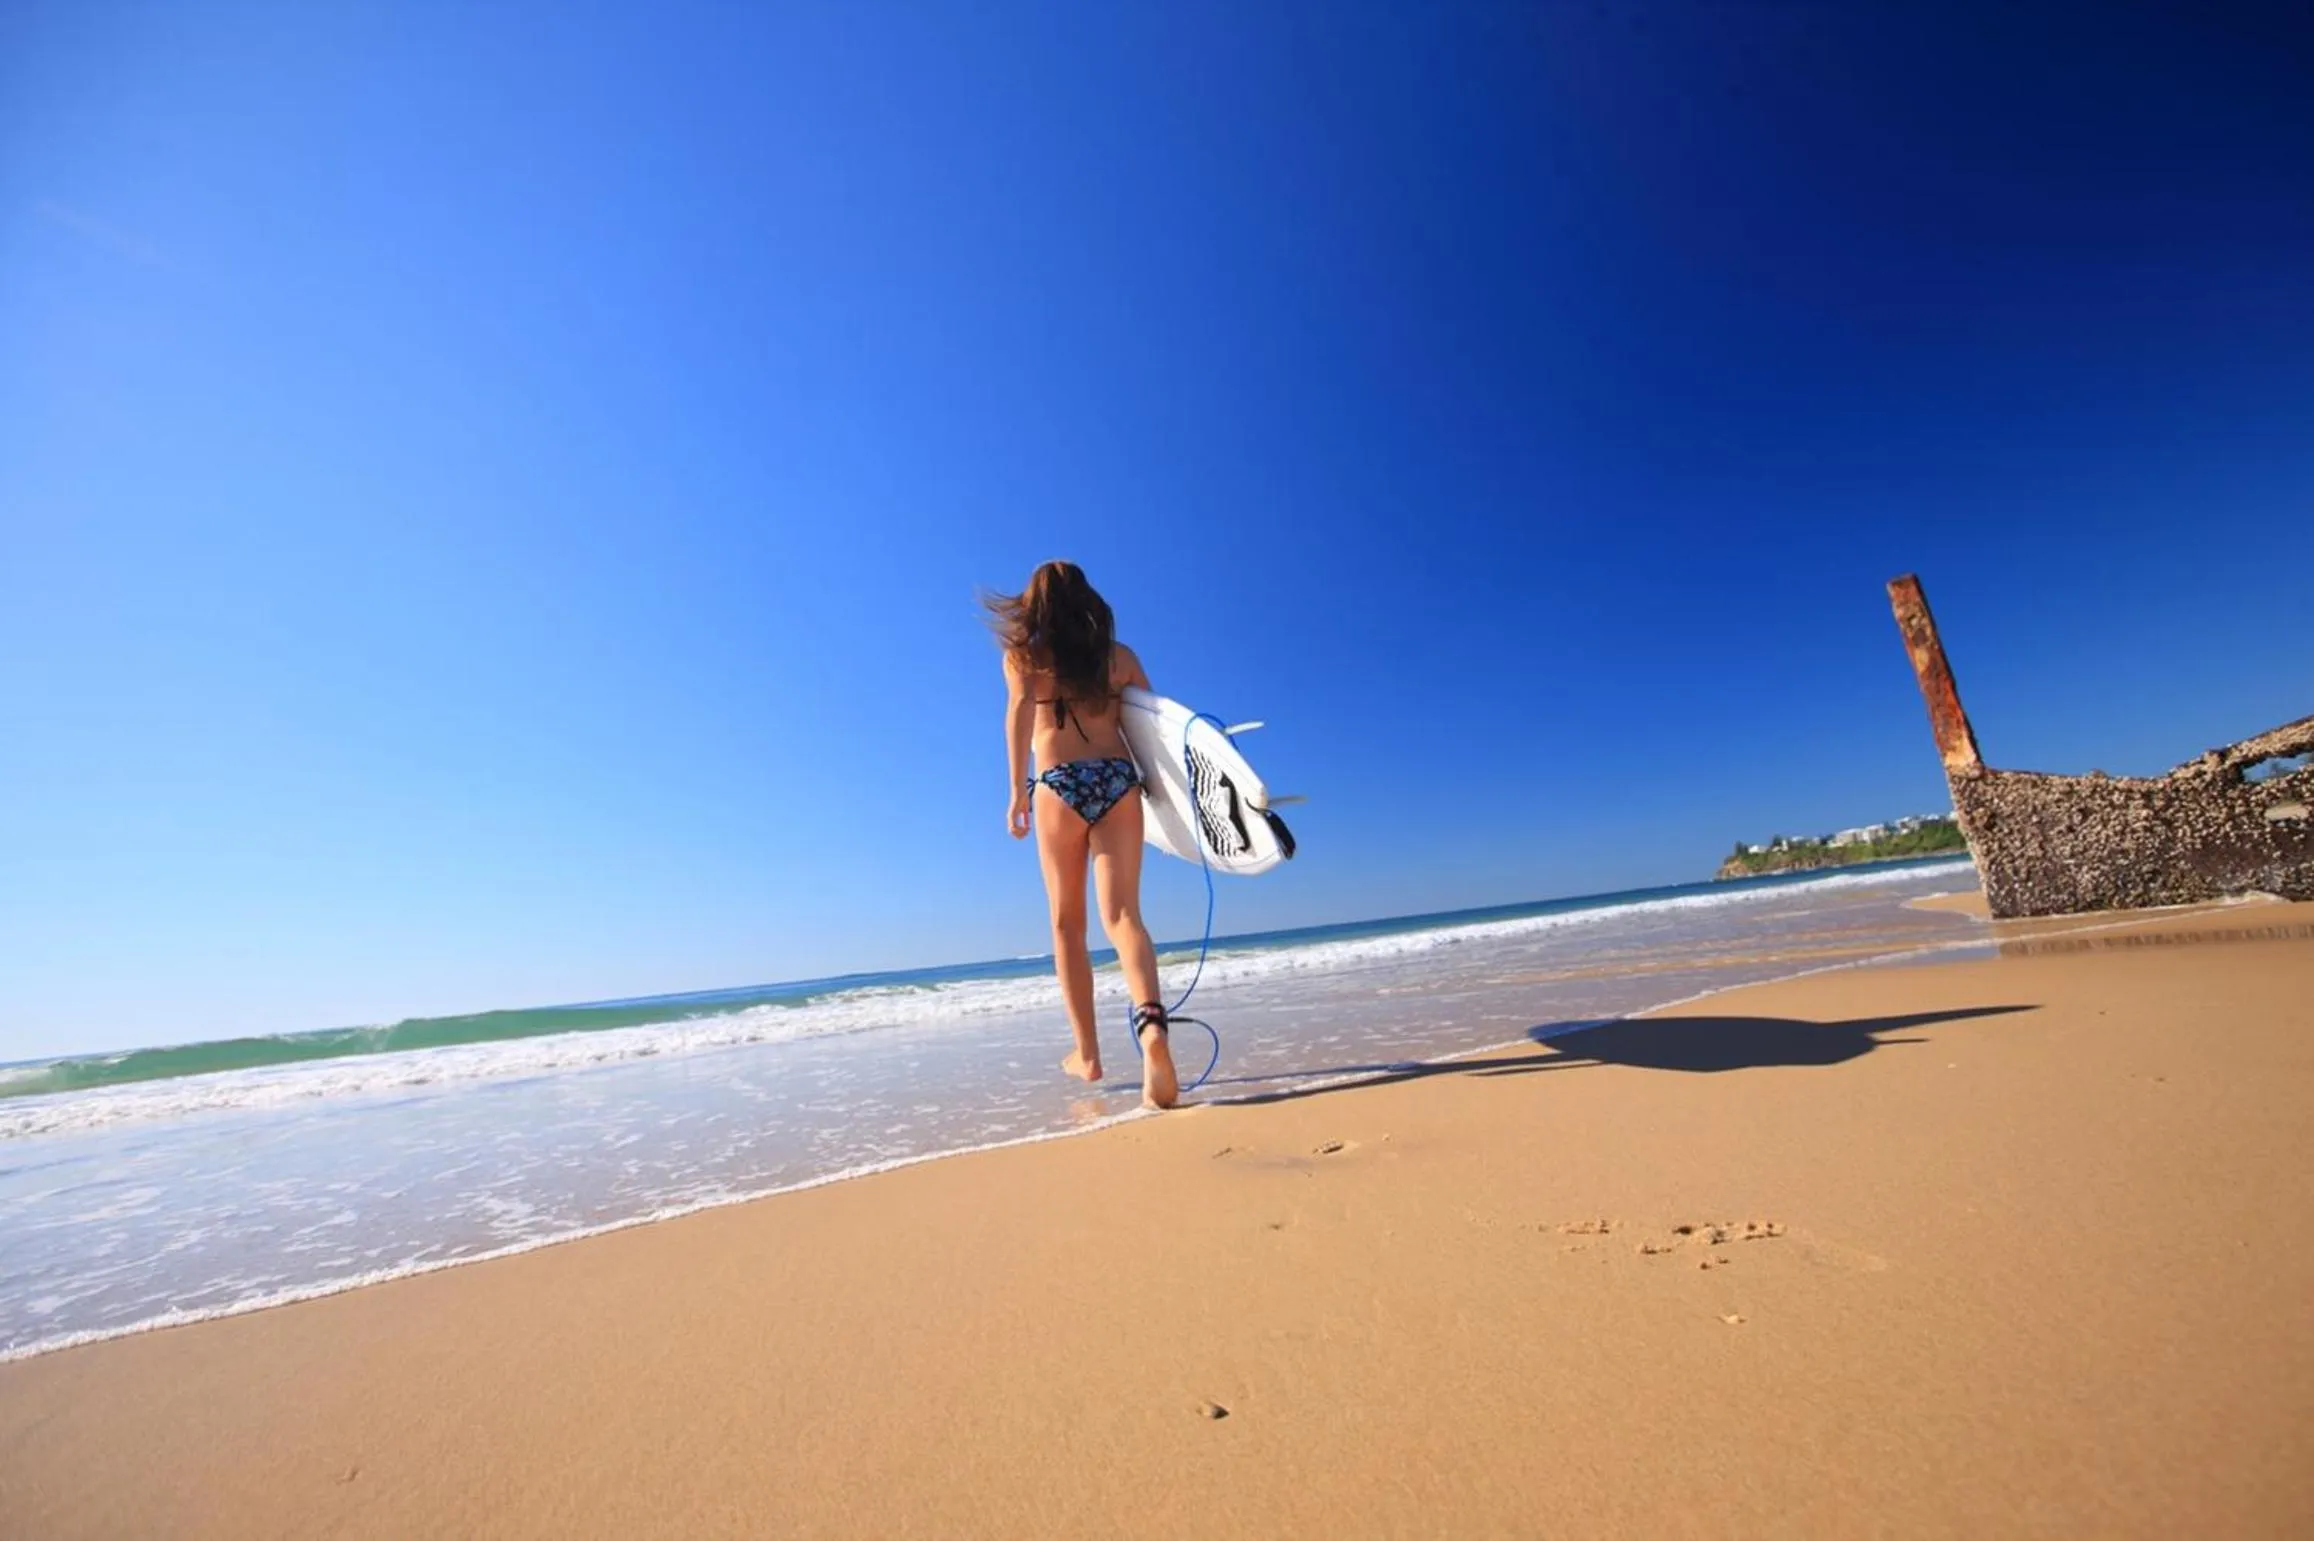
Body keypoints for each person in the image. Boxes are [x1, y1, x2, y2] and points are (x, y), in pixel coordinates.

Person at [986, 560, 1178, 1109]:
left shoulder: (1023, 660)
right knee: (1124, 918)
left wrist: (1018, 793)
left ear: (1034, 606)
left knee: (1068, 923)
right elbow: (1154, 725)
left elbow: (1020, 713)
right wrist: (1165, 798)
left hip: (1059, 785)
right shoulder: (1119, 660)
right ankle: (1153, 1030)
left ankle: (1088, 1055)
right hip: (1119, 781)